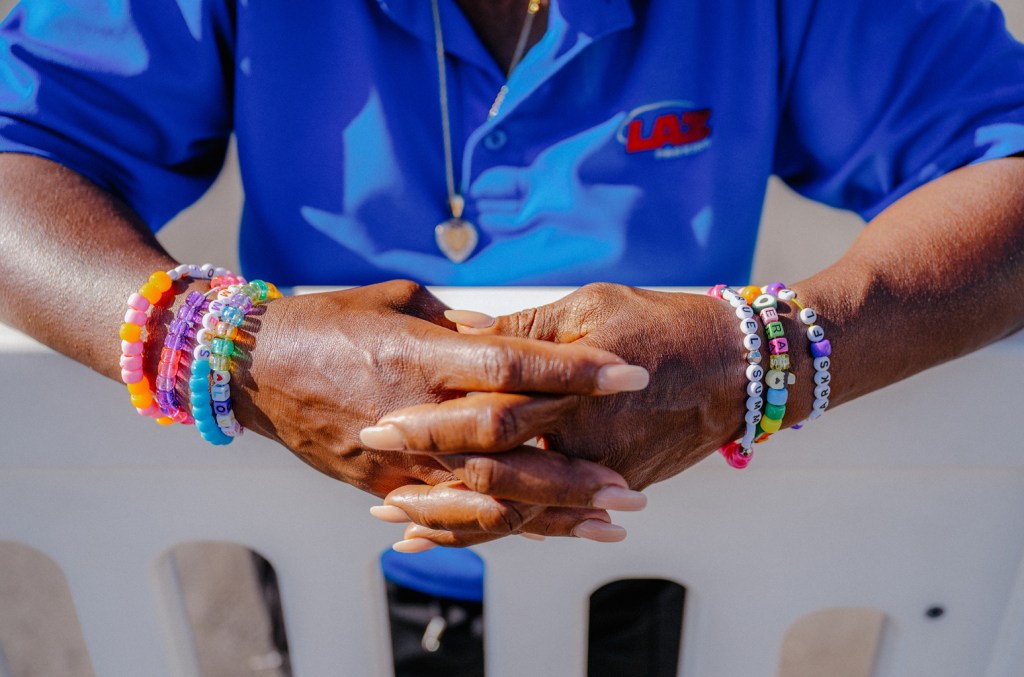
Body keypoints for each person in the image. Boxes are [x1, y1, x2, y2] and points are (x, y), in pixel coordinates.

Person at [0, 0, 1022, 553]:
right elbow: (20, 151)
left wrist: (757, 358)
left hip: (660, 546)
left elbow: (1001, 162)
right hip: (315, 540)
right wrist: (235, 352)